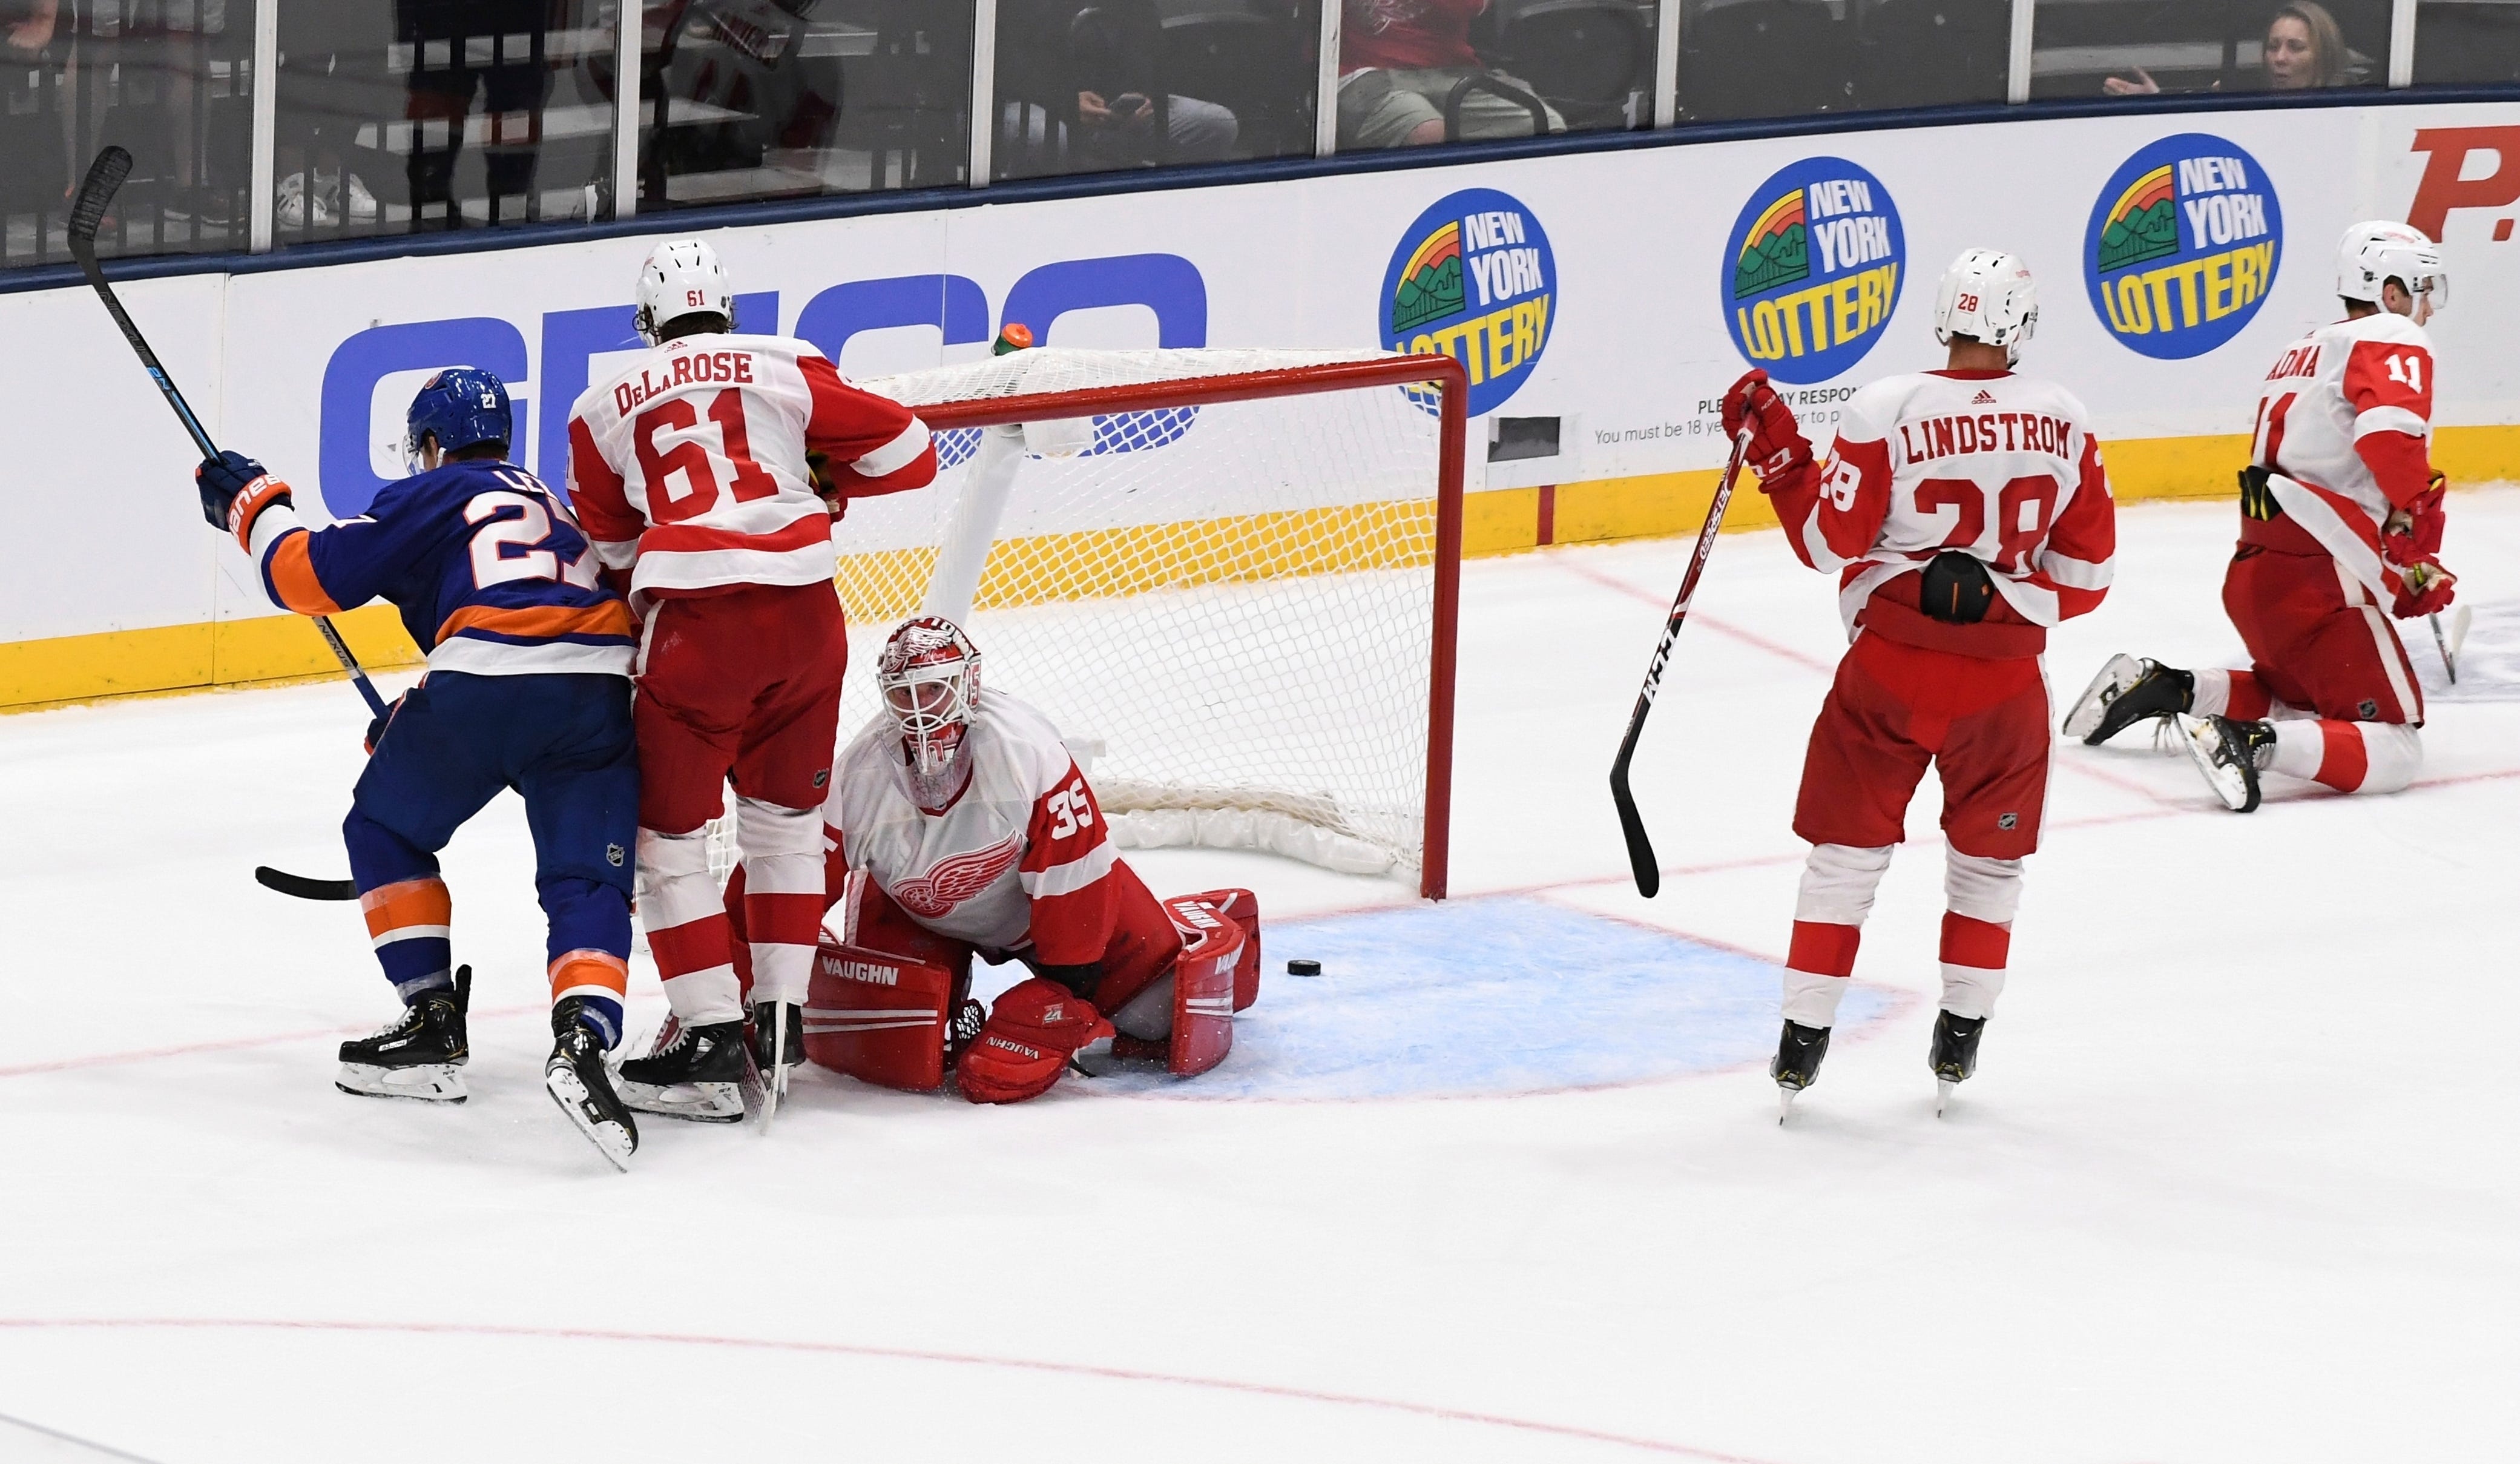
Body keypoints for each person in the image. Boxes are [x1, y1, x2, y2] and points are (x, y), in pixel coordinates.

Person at [194, 368, 644, 1169]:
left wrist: (251, 506)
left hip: (488, 680)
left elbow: (303, 575)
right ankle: (582, 1038)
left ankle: (431, 1022)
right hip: (599, 689)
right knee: (587, 881)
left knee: (382, 828)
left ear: (431, 446)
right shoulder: (553, 504)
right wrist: (421, 713)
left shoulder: (433, 493)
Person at [1720, 249, 2117, 1116]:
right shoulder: (2064, 417)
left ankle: (1801, 1039)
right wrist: (2000, 591)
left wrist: (1780, 458)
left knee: (1843, 858)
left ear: (1945, 316)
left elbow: (1827, 544)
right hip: (2005, 687)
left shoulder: (1885, 405)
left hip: (1887, 671)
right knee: (1988, 866)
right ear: (2019, 325)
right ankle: (1961, 1033)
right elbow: (2087, 581)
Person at [565, 237, 938, 1123]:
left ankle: (705, 1036)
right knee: (787, 826)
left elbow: (614, 551)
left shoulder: (596, 406)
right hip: (809, 621)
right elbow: (912, 453)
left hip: (698, 630)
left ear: (647, 323)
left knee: (667, 840)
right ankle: (780, 1019)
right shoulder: (789, 362)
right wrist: (820, 476)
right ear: (727, 310)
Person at [735, 617, 1261, 1104]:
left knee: (1154, 1019)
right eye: (903, 695)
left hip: (1043, 915)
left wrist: (1066, 993)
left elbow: (1076, 870)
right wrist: (753, 987)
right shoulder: (857, 774)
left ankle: (1198, 919)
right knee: (895, 1057)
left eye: (933, 690)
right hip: (915, 909)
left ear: (968, 684)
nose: (919, 709)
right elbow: (790, 874)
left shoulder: (1025, 751)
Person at [2065, 222, 2454, 813]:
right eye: (2420, 288)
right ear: (2390, 290)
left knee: (2298, 701)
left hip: (2257, 571)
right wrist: (2412, 537)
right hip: (2319, 578)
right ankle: (2250, 744)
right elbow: (2388, 439)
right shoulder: (2391, 333)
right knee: (2395, 745)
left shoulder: (2301, 350)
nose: (2426, 305)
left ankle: (2171, 686)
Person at [1338, 0, 1562, 150]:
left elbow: (1470, 5)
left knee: (1548, 124)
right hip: (1362, 73)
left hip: (1450, 71)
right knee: (1428, 132)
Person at [2106, 2, 2351, 95]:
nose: (2280, 58)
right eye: (2273, 47)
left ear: (2324, 55)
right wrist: (2157, 100)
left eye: (2295, 48)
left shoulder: (2351, 115)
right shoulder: (2251, 106)